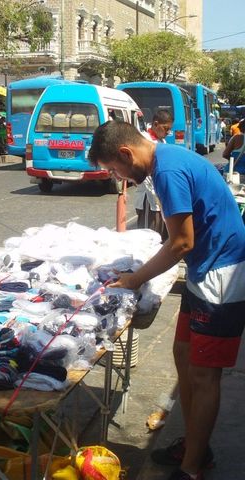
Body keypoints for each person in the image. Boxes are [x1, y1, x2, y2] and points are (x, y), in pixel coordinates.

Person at [88, 121, 245, 480]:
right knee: (183, 354)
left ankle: (193, 465)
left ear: (126, 154)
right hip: (203, 270)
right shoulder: (166, 161)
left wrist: (135, 279)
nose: (120, 178)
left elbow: (180, 243)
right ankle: (193, 443)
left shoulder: (169, 171)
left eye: (115, 169)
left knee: (205, 376)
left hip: (221, 276)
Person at [135, 110, 173, 239]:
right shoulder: (143, 140)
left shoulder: (162, 142)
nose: (168, 132)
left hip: (160, 194)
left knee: (160, 234)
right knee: (148, 234)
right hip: (149, 195)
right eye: (166, 128)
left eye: (169, 129)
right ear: (156, 124)